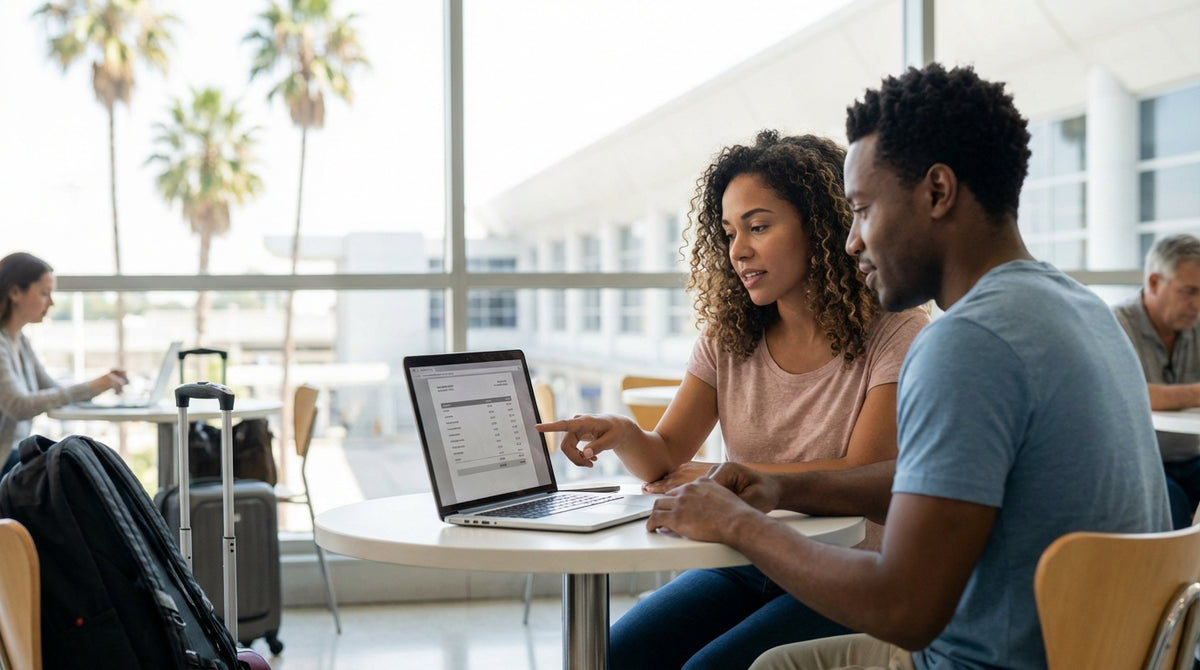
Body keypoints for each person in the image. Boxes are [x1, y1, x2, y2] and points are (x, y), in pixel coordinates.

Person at [643, 63, 1171, 670]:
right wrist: (784, 486)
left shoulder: (965, 343)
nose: (851, 241)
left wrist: (740, 526)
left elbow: (906, 610)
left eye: (864, 210)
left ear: (937, 193)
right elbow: (942, 483)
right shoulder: (1081, 309)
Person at [540, 130, 929, 669]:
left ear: (822, 227)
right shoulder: (728, 338)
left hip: (847, 569)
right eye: (728, 232)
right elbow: (667, 456)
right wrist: (626, 434)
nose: (739, 250)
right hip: (742, 560)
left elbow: (862, 472)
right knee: (611, 658)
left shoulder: (896, 331)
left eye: (759, 226)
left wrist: (720, 474)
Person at [0, 252, 127, 477]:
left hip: (13, 457)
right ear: (15, 292)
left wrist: (99, 385)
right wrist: (91, 386)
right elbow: (19, 405)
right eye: (44, 293)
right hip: (5, 462)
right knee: (76, 474)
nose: (51, 302)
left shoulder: (20, 342)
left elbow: (52, 389)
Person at [1113, 234, 1200, 528]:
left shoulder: (1196, 323)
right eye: (1189, 291)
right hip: (1142, 462)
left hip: (1193, 455)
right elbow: (1134, 394)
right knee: (1168, 505)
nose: (1197, 304)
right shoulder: (1116, 323)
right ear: (1153, 283)